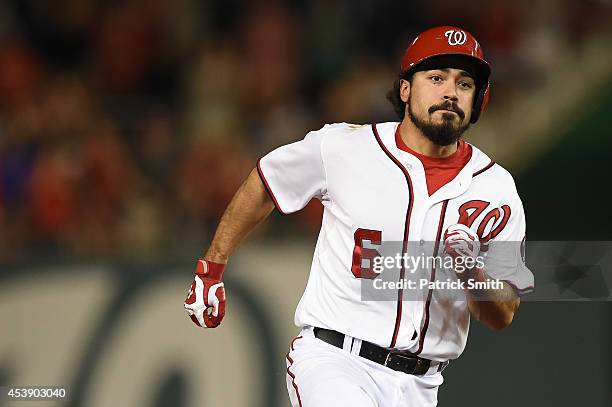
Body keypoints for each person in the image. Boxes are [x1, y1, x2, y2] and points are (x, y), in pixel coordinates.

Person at [184, 26, 534, 407]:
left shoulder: (496, 188)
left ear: (478, 100)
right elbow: (267, 182)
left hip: (421, 385)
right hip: (335, 360)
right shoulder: (345, 147)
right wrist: (211, 268)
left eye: (465, 83)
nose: (450, 92)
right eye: (436, 78)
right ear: (405, 89)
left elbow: (503, 312)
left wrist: (473, 274)